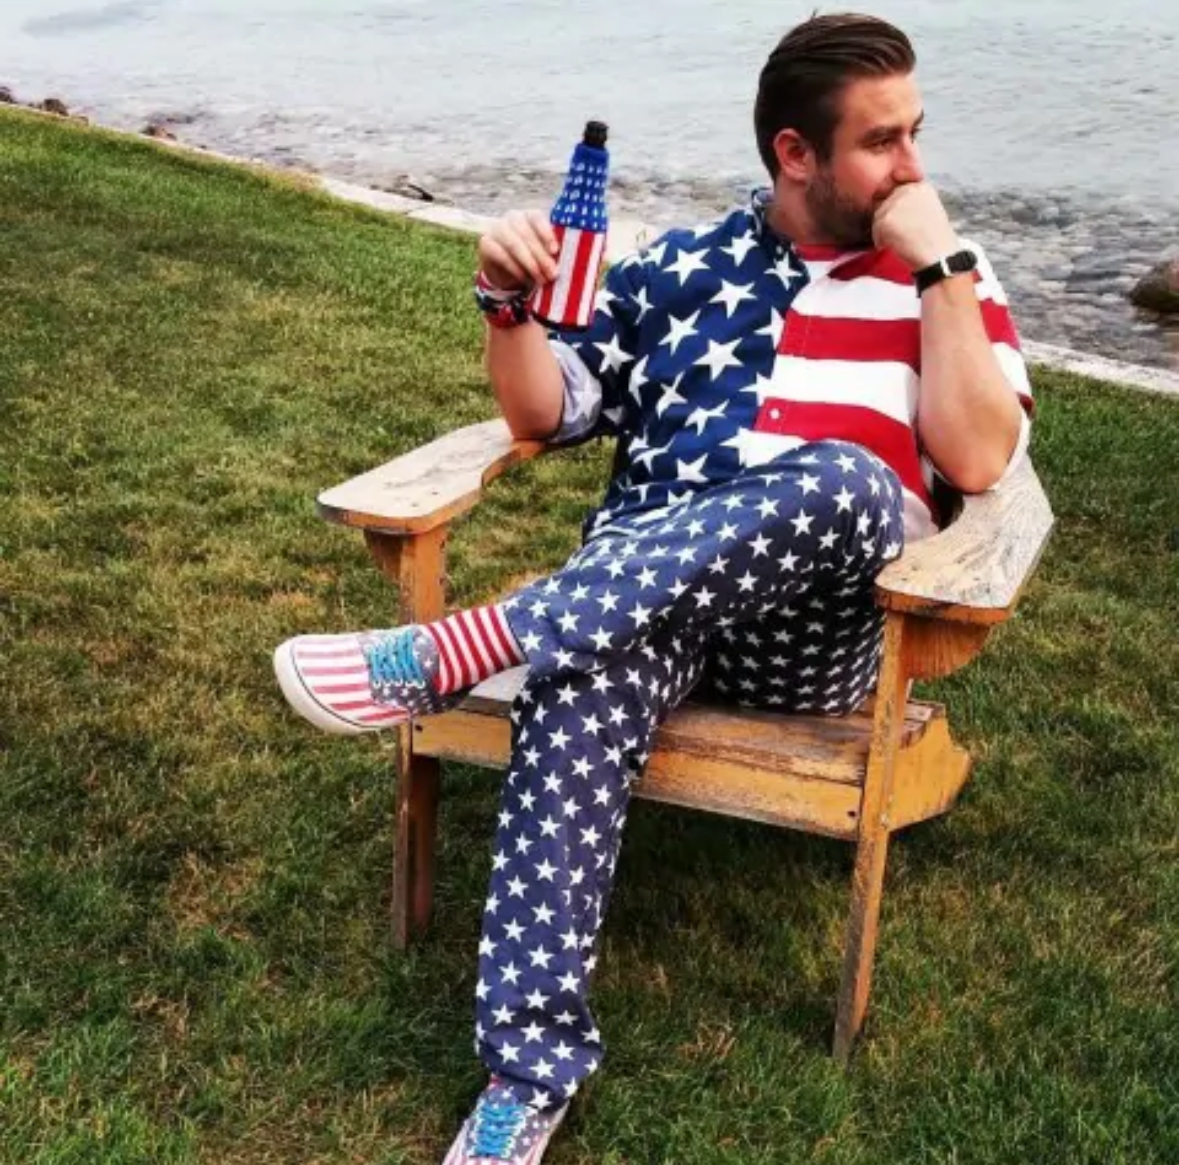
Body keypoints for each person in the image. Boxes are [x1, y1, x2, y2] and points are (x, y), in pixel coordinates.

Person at [273, 13, 1033, 1163]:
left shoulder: (946, 279)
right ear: (796, 153)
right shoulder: (680, 270)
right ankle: (526, 1072)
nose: (914, 166)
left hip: (812, 637)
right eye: (883, 142)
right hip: (643, 608)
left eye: (915, 132)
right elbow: (547, 411)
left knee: (842, 478)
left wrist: (937, 267)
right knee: (580, 675)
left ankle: (462, 647)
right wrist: (506, 304)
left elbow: (977, 461)